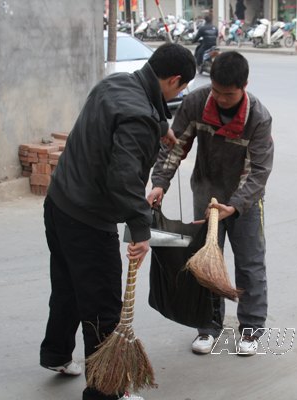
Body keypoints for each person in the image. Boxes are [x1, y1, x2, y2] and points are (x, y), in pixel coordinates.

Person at [39, 43, 196, 400]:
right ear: (174, 80)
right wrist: (140, 229)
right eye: (182, 87)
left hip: (59, 202)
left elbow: (130, 115)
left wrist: (161, 126)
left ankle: (56, 355)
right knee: (103, 307)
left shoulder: (116, 83)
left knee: (67, 286)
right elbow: (123, 180)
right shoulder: (139, 118)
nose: (180, 92)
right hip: (89, 220)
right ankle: (105, 393)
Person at [147, 51, 274, 356]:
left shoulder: (258, 117)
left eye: (228, 94)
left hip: (245, 202)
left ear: (244, 87)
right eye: (216, 91)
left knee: (250, 264)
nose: (220, 99)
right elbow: (174, 146)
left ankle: (251, 328)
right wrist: (160, 182)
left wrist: (235, 204)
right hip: (206, 194)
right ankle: (208, 326)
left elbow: (258, 170)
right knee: (205, 263)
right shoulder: (196, 102)